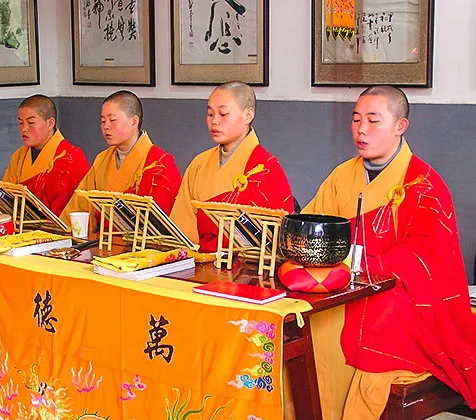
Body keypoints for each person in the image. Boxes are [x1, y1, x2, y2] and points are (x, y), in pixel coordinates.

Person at [303, 85, 476, 418]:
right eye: (356, 120)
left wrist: (359, 266)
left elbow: (425, 259)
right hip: (345, 288)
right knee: (307, 326)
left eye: (373, 120)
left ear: (400, 126)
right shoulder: (343, 175)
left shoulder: (424, 185)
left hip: (401, 298)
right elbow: (316, 227)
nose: (361, 130)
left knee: (373, 337)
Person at [170, 81, 294, 252]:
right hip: (200, 263)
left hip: (248, 271)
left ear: (248, 115)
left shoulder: (266, 169)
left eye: (223, 113)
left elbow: (275, 242)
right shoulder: (199, 163)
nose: (215, 121)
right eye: (210, 114)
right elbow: (182, 228)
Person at [60, 90, 182, 232]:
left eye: (112, 120)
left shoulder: (159, 163)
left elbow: (161, 226)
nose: (106, 126)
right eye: (102, 121)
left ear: (134, 121)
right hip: (101, 243)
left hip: (140, 247)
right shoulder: (102, 160)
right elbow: (79, 207)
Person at [3, 94, 90, 216]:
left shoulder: (70, 157)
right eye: (21, 123)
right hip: (21, 228)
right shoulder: (19, 156)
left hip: (57, 230)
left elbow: (72, 208)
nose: (24, 129)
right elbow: (6, 198)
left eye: (31, 123)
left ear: (50, 123)